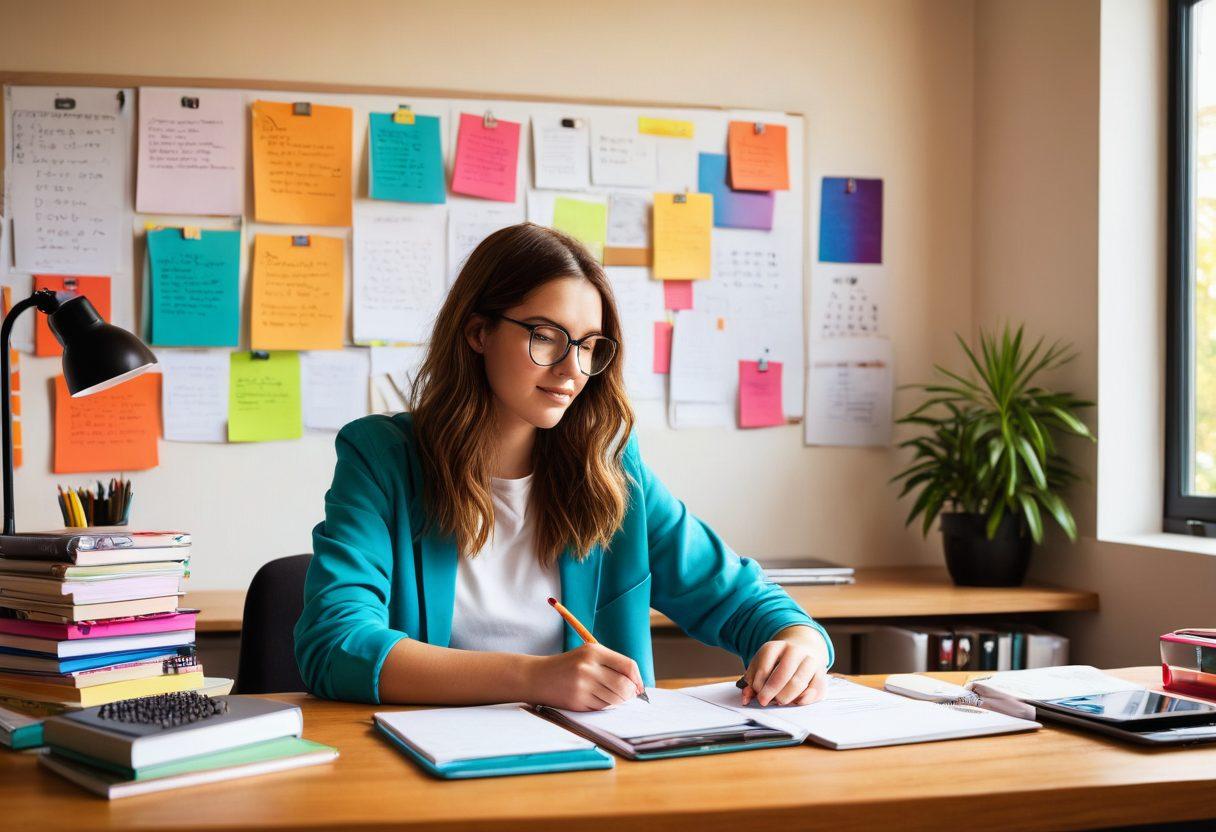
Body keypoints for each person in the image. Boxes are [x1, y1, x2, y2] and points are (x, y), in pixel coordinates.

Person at [295, 222, 834, 711]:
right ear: (478, 332)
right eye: (545, 337)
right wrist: (533, 677)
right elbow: (335, 643)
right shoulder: (381, 458)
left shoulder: (611, 467)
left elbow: (741, 598)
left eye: (588, 346)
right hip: (432, 773)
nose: (572, 369)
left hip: (595, 775)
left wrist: (800, 644)